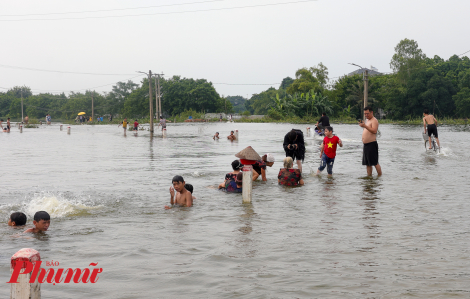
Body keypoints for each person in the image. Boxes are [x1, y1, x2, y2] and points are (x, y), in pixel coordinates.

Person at [359, 106, 382, 176]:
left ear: (372, 112)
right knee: (367, 163)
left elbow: (374, 131)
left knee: (375, 162)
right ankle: (369, 177)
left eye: (367, 113)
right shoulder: (367, 120)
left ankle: (379, 176)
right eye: (365, 114)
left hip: (372, 144)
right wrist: (363, 125)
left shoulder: (374, 120)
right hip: (366, 145)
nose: (366, 115)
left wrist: (365, 126)